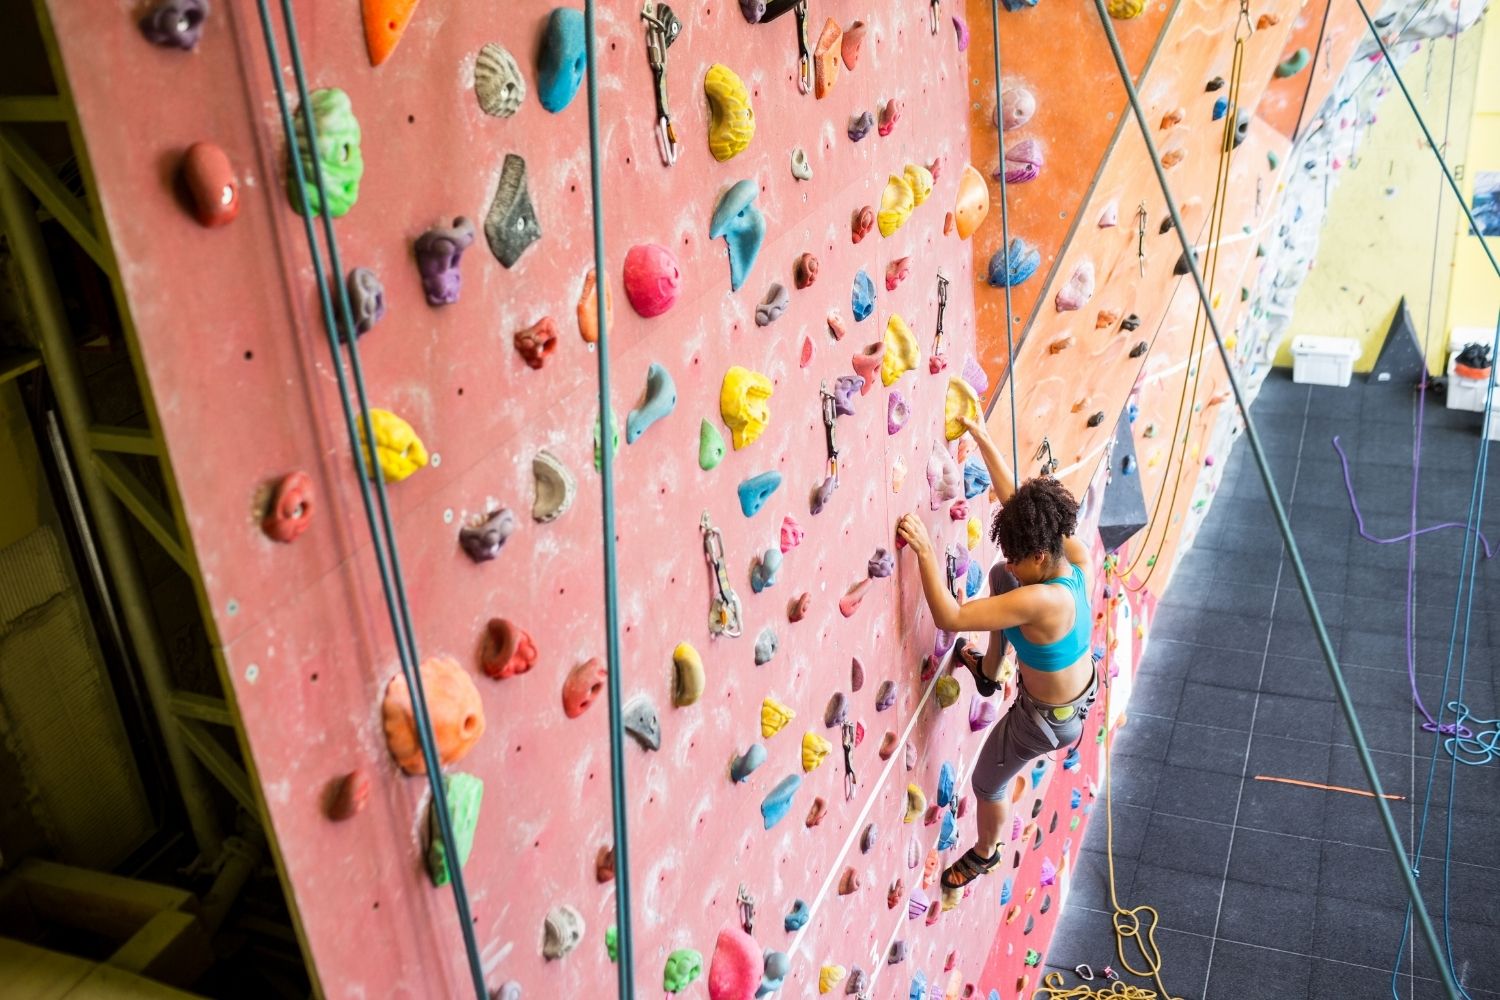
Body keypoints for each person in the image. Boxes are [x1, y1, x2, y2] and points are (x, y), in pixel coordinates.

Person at [895, 415, 1099, 893]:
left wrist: (924, 551)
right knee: (1001, 581)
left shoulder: (1041, 600)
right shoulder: (1069, 555)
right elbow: (1018, 504)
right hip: (1070, 689)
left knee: (987, 785)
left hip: (1042, 719)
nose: (1010, 558)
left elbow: (950, 617)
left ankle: (986, 852)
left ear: (1041, 557)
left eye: (1018, 553)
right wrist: (983, 438)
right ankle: (988, 672)